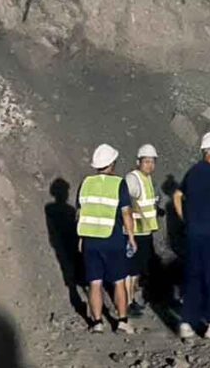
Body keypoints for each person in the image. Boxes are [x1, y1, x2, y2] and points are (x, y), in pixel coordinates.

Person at [172, 131, 210, 341]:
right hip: (209, 234)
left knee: (193, 276)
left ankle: (187, 322)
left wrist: (185, 219)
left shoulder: (192, 172)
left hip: (193, 233)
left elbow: (177, 196)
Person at [77, 143, 137, 334]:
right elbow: (126, 213)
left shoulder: (86, 183)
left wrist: (81, 238)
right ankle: (122, 321)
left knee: (94, 283)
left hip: (90, 241)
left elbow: (80, 213)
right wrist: (132, 238)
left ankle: (97, 323)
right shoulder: (119, 183)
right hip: (113, 239)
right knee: (119, 281)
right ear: (112, 163)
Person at [124, 143, 161, 314]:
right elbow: (124, 202)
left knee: (138, 269)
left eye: (152, 162)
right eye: (146, 161)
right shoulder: (133, 179)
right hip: (135, 233)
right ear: (138, 162)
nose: (150, 165)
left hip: (144, 232)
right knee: (131, 269)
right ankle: (128, 302)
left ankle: (132, 298)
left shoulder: (146, 178)